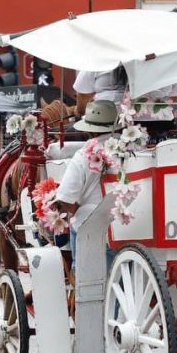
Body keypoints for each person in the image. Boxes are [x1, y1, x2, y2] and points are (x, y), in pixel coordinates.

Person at [54, 100, 118, 264]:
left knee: (79, 226)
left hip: (93, 228)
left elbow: (65, 197)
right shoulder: (133, 149)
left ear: (89, 131)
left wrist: (77, 212)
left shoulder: (83, 155)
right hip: (130, 226)